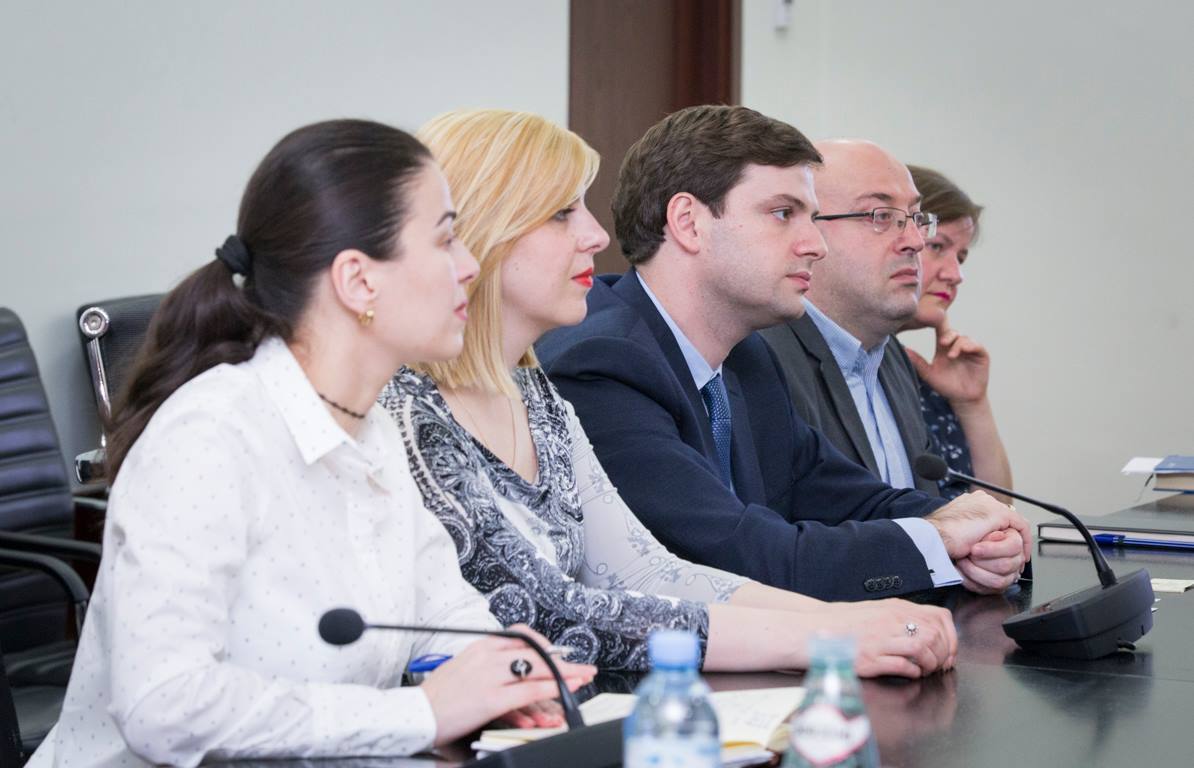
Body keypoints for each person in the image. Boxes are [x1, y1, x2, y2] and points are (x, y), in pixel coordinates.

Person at [29, 119, 594, 768]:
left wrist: (508, 674)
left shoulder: (372, 428)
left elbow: (441, 608)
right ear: (358, 281)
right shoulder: (209, 437)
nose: (469, 266)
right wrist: (423, 714)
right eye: (445, 240)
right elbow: (163, 704)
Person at [380, 109, 957, 679]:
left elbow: (646, 573)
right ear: (481, 232)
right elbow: (549, 611)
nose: (596, 235)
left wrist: (853, 620)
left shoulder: (539, 399)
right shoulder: (407, 409)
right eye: (562, 214)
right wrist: (833, 634)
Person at [536, 105, 1030, 602]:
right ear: (688, 223)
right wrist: (938, 540)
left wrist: (959, 520)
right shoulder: (602, 363)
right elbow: (740, 557)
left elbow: (843, 496)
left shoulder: (747, 356)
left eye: (812, 217)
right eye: (783, 214)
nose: (815, 245)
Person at [758, 139, 944, 497]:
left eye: (916, 218)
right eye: (880, 216)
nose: (915, 241)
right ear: (808, 230)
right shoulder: (763, 357)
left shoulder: (892, 357)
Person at [901, 164, 1012, 501]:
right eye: (937, 246)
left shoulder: (925, 378)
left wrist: (972, 404)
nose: (956, 274)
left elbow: (997, 510)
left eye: (960, 257)